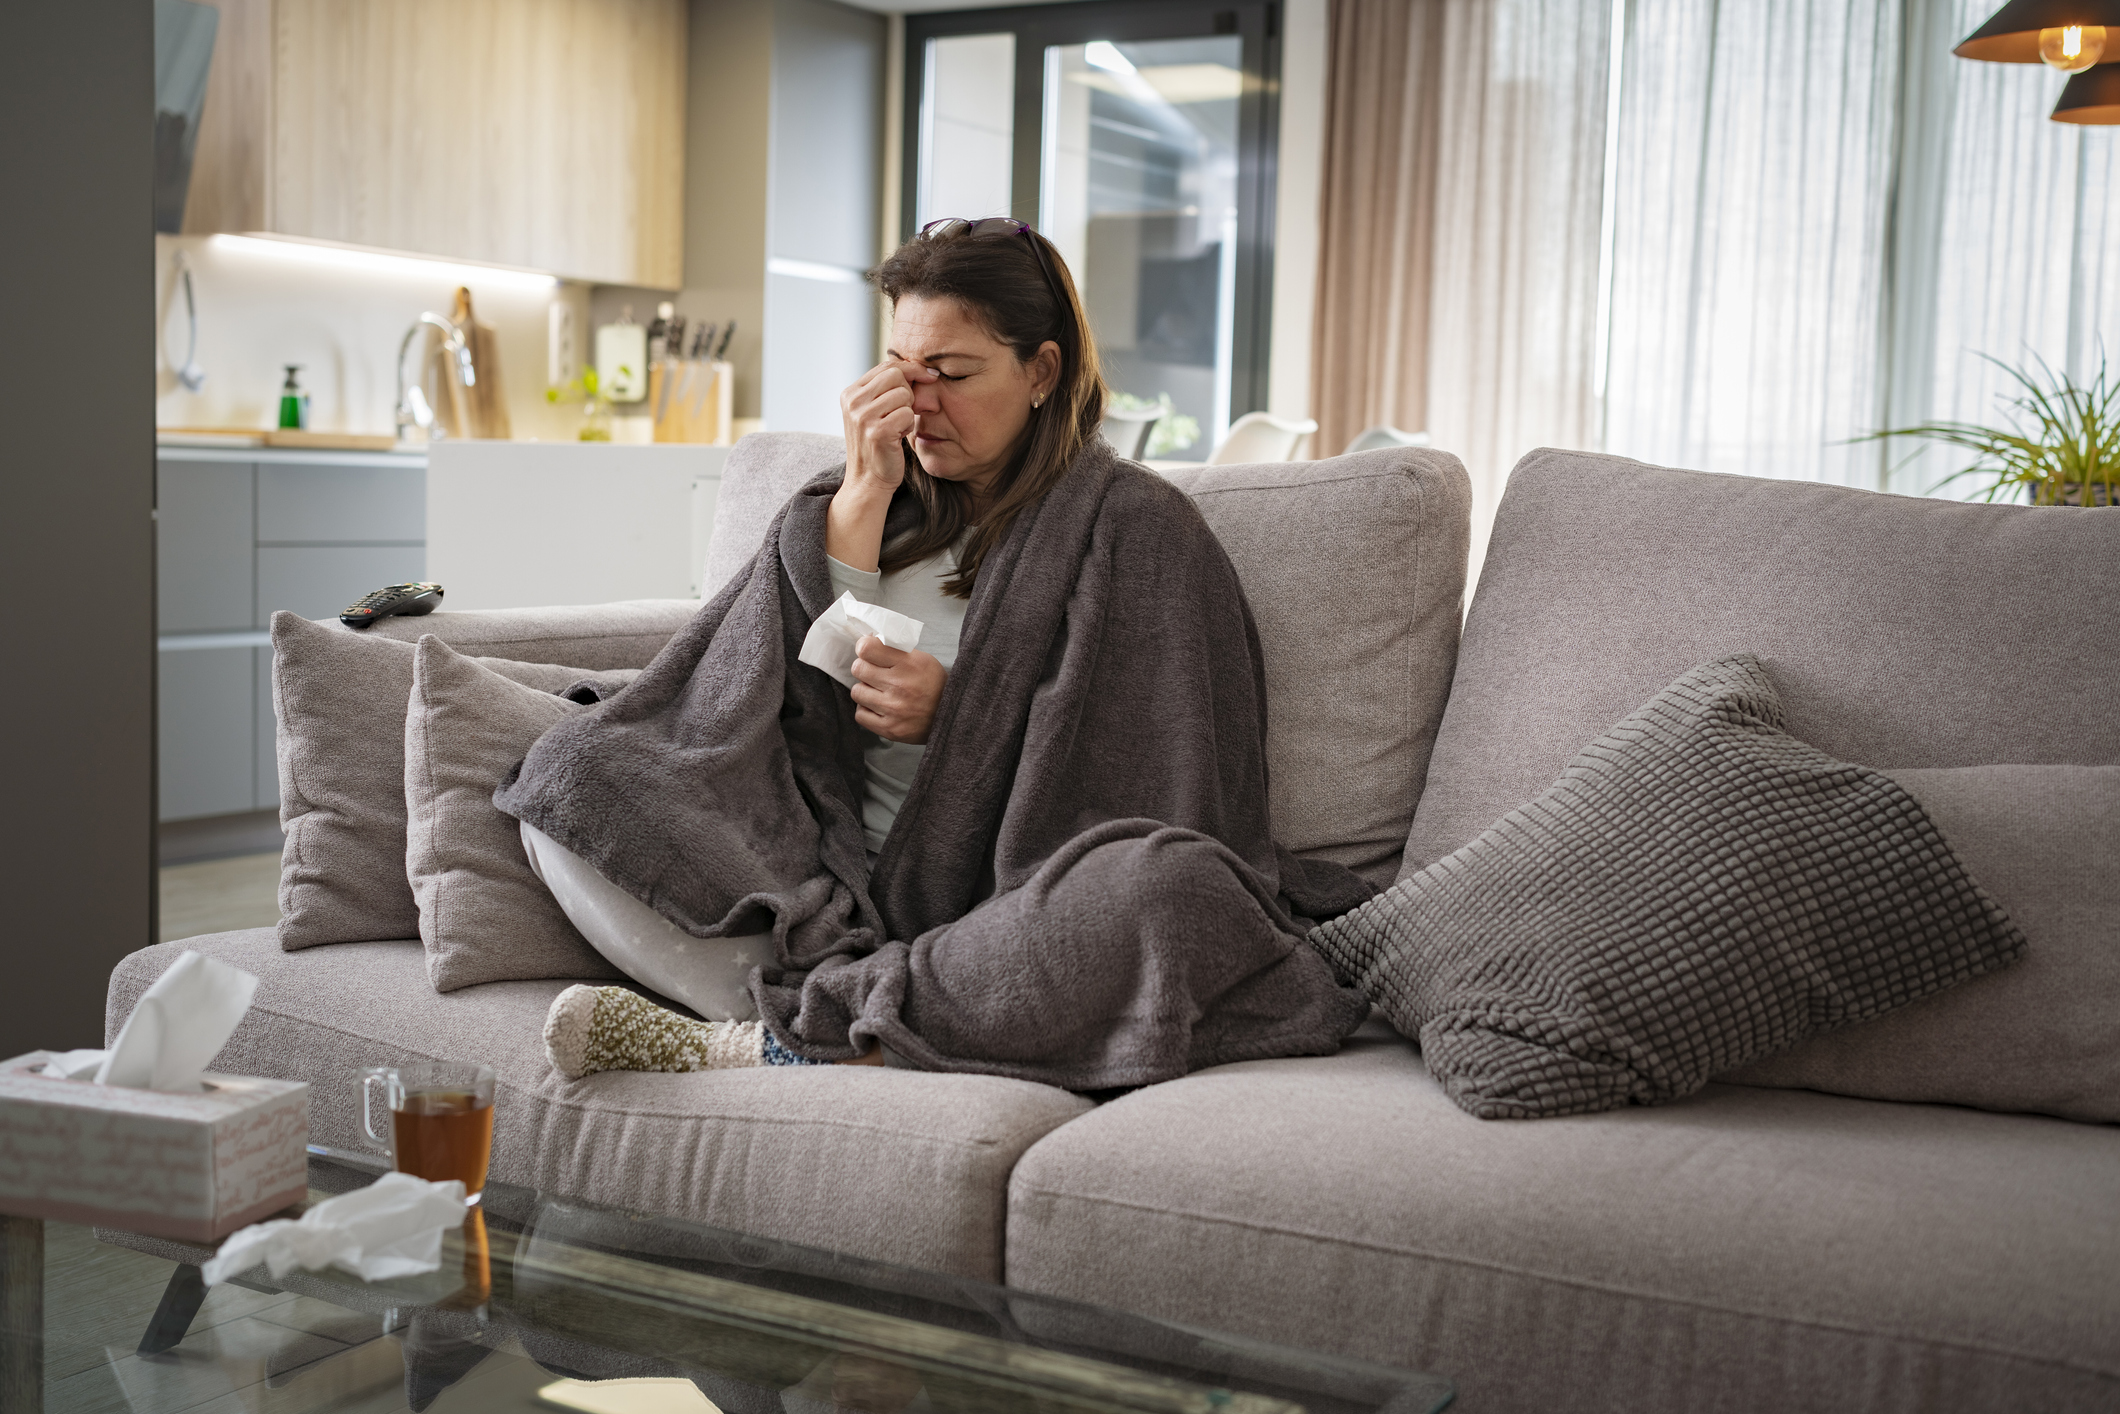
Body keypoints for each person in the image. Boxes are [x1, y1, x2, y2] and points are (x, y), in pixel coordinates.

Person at [500, 218, 1372, 1088]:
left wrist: (953, 717)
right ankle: (876, 1016)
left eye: (952, 375)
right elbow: (744, 704)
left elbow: (1166, 787)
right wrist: (865, 494)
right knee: (575, 773)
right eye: (902, 372)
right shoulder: (857, 506)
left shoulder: (1138, 531)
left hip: (1002, 914)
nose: (920, 405)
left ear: (1042, 370)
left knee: (1169, 894)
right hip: (825, 881)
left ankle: (779, 1037)